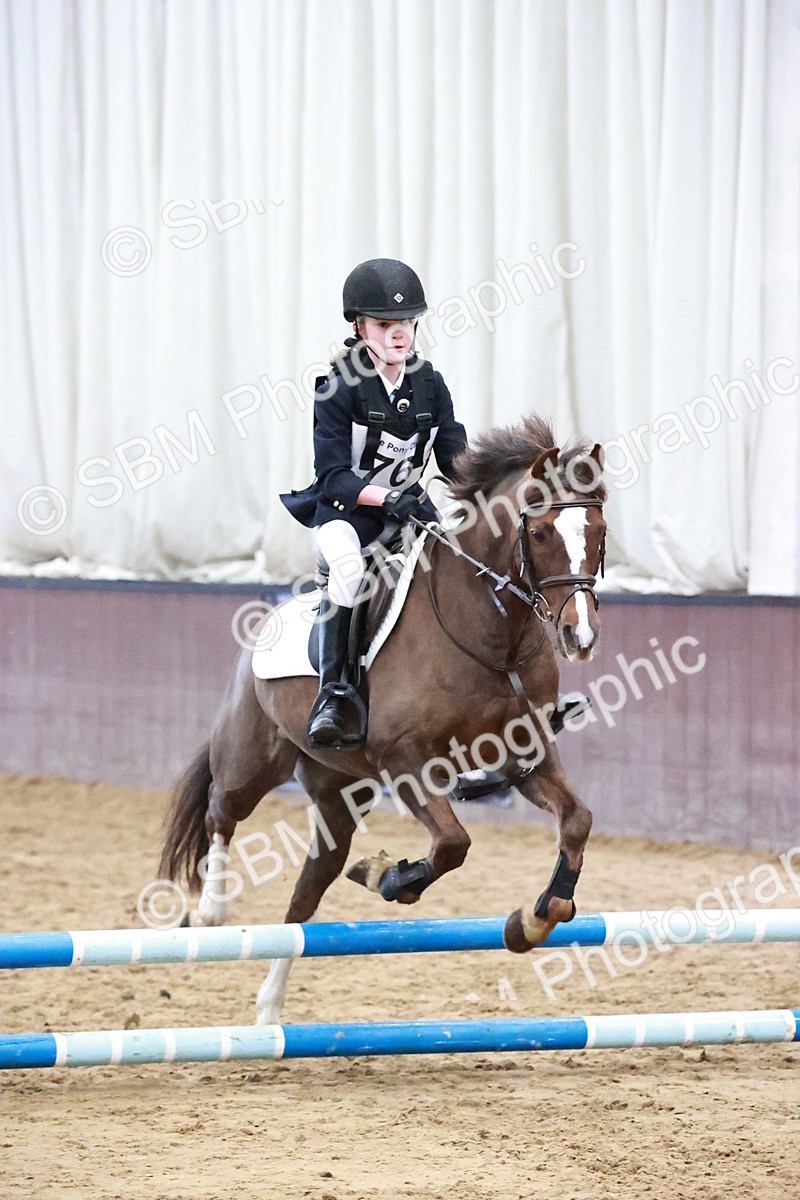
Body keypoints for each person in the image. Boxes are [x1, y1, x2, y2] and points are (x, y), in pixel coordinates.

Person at [281, 257, 468, 749]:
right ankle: (335, 694)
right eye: (386, 324)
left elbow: (456, 462)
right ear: (360, 327)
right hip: (346, 519)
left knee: (463, 565)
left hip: (409, 514)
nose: (399, 334)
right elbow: (334, 478)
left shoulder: (431, 384)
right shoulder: (337, 388)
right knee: (347, 571)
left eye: (406, 323)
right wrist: (390, 499)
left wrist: (505, 485)